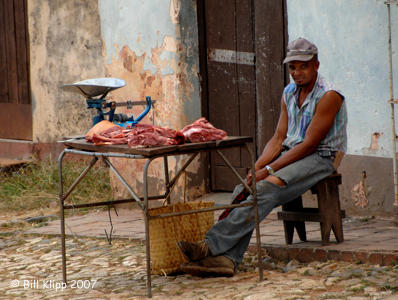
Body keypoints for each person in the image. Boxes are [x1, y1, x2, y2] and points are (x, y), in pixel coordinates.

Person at [177, 37, 347, 277]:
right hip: (293, 153)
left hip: (322, 156)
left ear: (316, 65)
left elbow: (309, 145)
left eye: (303, 66)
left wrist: (267, 172)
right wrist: (254, 169)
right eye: (292, 67)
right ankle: (227, 260)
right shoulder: (289, 92)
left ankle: (211, 245)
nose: (297, 73)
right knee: (243, 189)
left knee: (266, 188)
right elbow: (278, 138)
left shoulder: (329, 95)